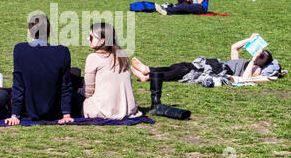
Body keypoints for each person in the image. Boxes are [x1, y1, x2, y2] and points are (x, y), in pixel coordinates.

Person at [5, 14, 74, 125]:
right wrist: (66, 114)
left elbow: (18, 84)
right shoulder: (62, 52)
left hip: (28, 111)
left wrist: (15, 115)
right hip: (54, 111)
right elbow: (65, 85)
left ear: (29, 31)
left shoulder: (20, 50)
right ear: (49, 32)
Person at [130, 33, 274, 83]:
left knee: (184, 70)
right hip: (215, 64)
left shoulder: (257, 69)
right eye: (262, 52)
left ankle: (148, 76)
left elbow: (246, 79)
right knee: (180, 66)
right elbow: (234, 47)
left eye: (263, 56)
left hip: (218, 71)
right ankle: (148, 70)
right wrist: (249, 39)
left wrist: (255, 60)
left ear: (264, 61)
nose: (260, 54)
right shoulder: (244, 61)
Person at [72, 23, 142, 120]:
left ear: (102, 40)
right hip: (127, 109)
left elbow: (88, 93)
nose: (88, 39)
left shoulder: (94, 58)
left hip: (101, 110)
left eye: (91, 37)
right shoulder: (122, 55)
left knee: (68, 94)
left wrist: (80, 91)